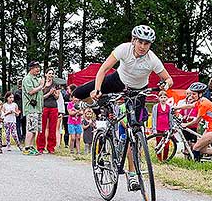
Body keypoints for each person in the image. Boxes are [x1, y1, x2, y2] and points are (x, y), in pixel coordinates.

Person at [73, 25, 173, 191]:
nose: (142, 46)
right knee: (79, 92)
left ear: (150, 45)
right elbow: (103, 69)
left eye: (146, 43)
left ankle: (132, 174)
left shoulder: (152, 59)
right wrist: (97, 89)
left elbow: (168, 79)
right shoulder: (123, 49)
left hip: (138, 91)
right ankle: (92, 103)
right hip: (117, 81)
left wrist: (166, 85)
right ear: (133, 40)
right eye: (140, 41)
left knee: (135, 130)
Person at [175, 82, 212, 161]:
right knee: (202, 149)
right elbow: (190, 105)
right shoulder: (201, 100)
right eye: (191, 94)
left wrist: (185, 124)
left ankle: (196, 164)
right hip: (209, 128)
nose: (192, 96)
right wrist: (176, 108)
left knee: (196, 147)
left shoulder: (204, 104)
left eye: (194, 94)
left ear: (200, 94)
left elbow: (197, 120)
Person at [22, 61, 45, 156]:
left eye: (38, 67)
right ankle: (27, 148)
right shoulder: (27, 79)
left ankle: (31, 146)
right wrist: (41, 86)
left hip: (38, 108)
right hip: (31, 108)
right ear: (30, 68)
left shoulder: (36, 79)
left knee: (35, 129)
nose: (38, 69)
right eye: (36, 67)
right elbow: (30, 91)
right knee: (30, 128)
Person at [36, 68, 60, 154]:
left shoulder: (55, 84)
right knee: (42, 127)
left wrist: (54, 93)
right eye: (49, 73)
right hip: (44, 107)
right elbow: (40, 97)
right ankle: (40, 147)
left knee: (52, 128)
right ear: (45, 74)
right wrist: (49, 93)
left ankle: (51, 147)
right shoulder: (42, 84)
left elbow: (57, 97)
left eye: (52, 74)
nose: (51, 75)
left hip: (53, 107)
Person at [151, 91, 173, 161]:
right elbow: (154, 118)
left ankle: (165, 159)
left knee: (166, 145)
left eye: (164, 97)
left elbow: (170, 118)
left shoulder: (169, 107)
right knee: (159, 143)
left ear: (167, 98)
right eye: (161, 97)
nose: (163, 99)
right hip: (158, 128)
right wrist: (154, 129)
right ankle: (159, 159)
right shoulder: (156, 106)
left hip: (166, 128)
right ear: (159, 98)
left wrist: (171, 128)